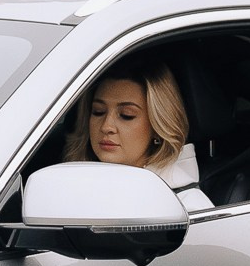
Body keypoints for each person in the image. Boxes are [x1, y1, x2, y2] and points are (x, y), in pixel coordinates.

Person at [64, 66, 213, 210]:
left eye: (127, 115)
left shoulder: (188, 208)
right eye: (98, 111)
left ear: (157, 127)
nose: (106, 126)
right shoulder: (72, 188)